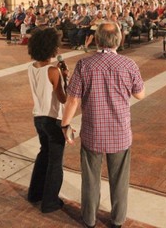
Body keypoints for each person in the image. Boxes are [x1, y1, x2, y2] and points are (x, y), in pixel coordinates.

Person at [61, 22, 145, 228]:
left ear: (97, 39)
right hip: (120, 133)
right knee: (120, 181)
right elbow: (140, 94)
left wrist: (65, 125)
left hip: (93, 132)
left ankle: (89, 219)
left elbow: (73, 100)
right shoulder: (129, 65)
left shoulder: (84, 65)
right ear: (119, 39)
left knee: (90, 180)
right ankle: (117, 220)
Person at [26, 27, 68, 213]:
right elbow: (63, 98)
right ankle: (50, 202)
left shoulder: (31, 67)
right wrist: (66, 79)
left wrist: (61, 76)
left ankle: (35, 193)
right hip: (52, 119)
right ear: (51, 47)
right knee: (55, 162)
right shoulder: (53, 70)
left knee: (44, 154)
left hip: (38, 117)